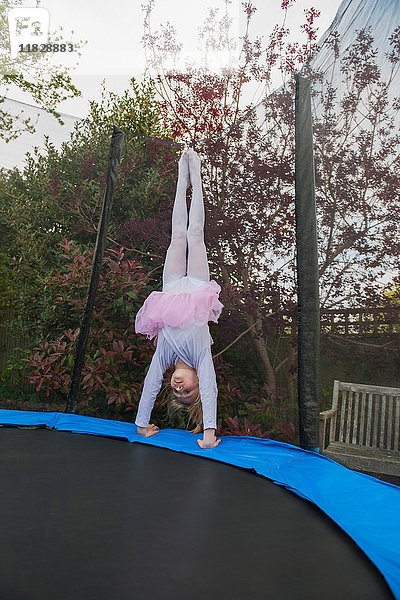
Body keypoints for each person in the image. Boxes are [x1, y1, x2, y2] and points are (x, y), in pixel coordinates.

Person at [134, 148, 223, 449]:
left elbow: (150, 383)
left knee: (177, 236)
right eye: (188, 393)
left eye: (177, 393)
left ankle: (180, 177)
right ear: (197, 382)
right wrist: (208, 432)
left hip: (171, 289)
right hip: (197, 287)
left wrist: (142, 424)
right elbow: (211, 389)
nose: (179, 389)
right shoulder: (202, 356)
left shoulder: (165, 354)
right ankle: (195, 176)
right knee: (195, 233)